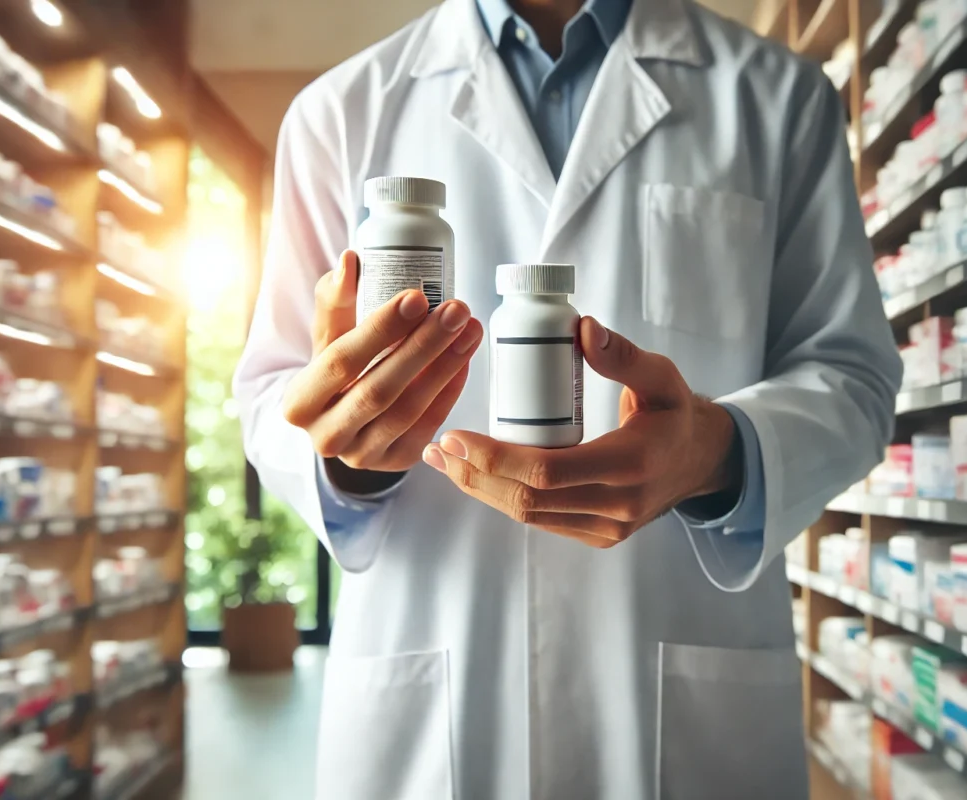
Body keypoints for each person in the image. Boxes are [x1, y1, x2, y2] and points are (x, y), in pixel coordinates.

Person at [234, 0, 901, 795]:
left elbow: (853, 377)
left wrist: (715, 454)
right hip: (432, 672)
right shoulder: (339, 112)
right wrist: (353, 457)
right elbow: (274, 389)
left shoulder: (778, 95)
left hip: (679, 682)